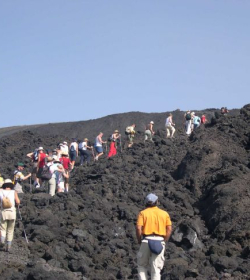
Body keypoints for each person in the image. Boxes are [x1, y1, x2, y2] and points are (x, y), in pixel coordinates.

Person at [136, 193, 172, 280]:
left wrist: (139, 240)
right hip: (159, 241)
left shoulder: (143, 213)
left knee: (141, 265)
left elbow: (138, 228)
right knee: (156, 268)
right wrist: (164, 240)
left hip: (146, 240)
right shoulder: (164, 214)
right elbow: (169, 229)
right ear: (157, 202)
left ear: (146, 202)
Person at [0, 179, 20, 252]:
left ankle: (2, 240)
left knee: (3, 228)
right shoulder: (14, 192)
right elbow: (18, 201)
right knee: (10, 230)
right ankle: (8, 246)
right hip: (12, 212)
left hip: (3, 212)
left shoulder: (0, 191)